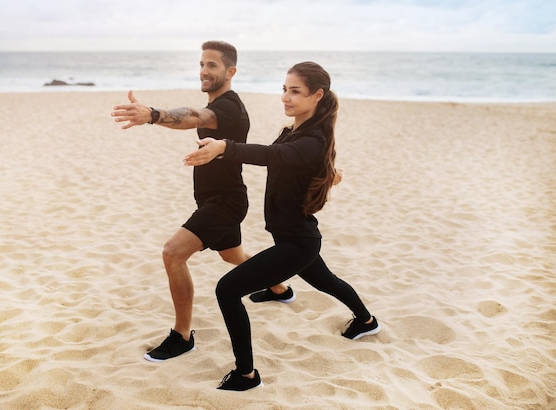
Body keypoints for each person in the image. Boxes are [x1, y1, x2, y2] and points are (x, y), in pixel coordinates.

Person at [184, 61, 381, 391]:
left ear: (317, 95)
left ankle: (246, 376)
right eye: (284, 89)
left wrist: (225, 147)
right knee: (326, 281)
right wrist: (329, 174)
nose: (286, 97)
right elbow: (291, 159)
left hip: (297, 243)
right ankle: (366, 321)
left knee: (227, 290)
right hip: (295, 237)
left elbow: (274, 156)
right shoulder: (297, 132)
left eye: (295, 91)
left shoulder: (311, 139)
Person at [111, 40, 292, 362]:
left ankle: (181, 336)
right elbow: (197, 115)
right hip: (219, 199)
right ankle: (280, 287)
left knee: (172, 253)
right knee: (231, 255)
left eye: (212, 65)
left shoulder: (228, 107)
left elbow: (194, 115)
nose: (204, 71)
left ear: (230, 71)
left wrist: (152, 114)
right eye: (202, 64)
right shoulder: (224, 105)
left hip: (225, 202)